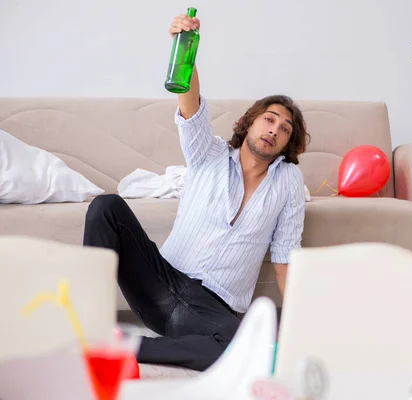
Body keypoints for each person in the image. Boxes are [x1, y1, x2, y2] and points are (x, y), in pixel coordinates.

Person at [83, 12, 309, 371]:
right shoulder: (210, 153)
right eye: (269, 118)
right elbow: (191, 108)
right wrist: (185, 46)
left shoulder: (288, 183)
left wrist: (303, 325)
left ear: (286, 145)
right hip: (161, 283)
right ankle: (87, 325)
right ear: (250, 121)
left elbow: (284, 259)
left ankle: (126, 348)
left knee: (241, 350)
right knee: (106, 207)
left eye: (284, 129)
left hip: (212, 310)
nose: (274, 130)